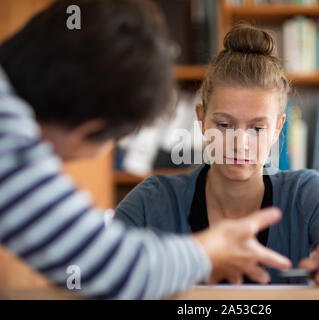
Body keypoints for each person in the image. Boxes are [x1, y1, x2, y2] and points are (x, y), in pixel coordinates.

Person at [0, 0, 292, 299]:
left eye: (257, 128)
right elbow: (109, 265)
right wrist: (209, 250)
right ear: (87, 128)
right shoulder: (8, 141)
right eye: (108, 140)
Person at [115, 24, 319, 287]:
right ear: (201, 119)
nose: (240, 145)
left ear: (277, 129)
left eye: (257, 128)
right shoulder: (153, 200)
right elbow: (88, 273)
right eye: (225, 125)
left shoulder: (306, 193)